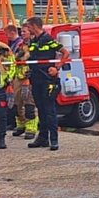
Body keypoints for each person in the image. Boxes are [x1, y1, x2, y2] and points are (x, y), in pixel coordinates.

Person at [25, 17, 69, 151]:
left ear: (34, 26)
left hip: (47, 79)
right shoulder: (33, 41)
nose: (27, 29)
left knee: (49, 110)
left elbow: (65, 53)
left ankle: (54, 139)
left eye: (28, 26)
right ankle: (42, 138)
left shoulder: (48, 39)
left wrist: (57, 68)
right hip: (36, 79)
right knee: (41, 109)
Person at [11, 25, 37, 139]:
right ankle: (20, 126)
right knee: (16, 103)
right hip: (18, 77)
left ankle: (31, 129)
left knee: (29, 104)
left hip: (29, 77)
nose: (22, 33)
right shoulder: (19, 45)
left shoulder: (35, 45)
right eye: (21, 32)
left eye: (24, 31)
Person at [4, 24, 23, 131]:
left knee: (15, 100)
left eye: (7, 34)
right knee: (11, 99)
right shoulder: (13, 44)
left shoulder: (18, 44)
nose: (6, 36)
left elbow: (14, 59)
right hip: (12, 75)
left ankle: (14, 123)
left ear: (12, 33)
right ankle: (12, 122)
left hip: (16, 75)